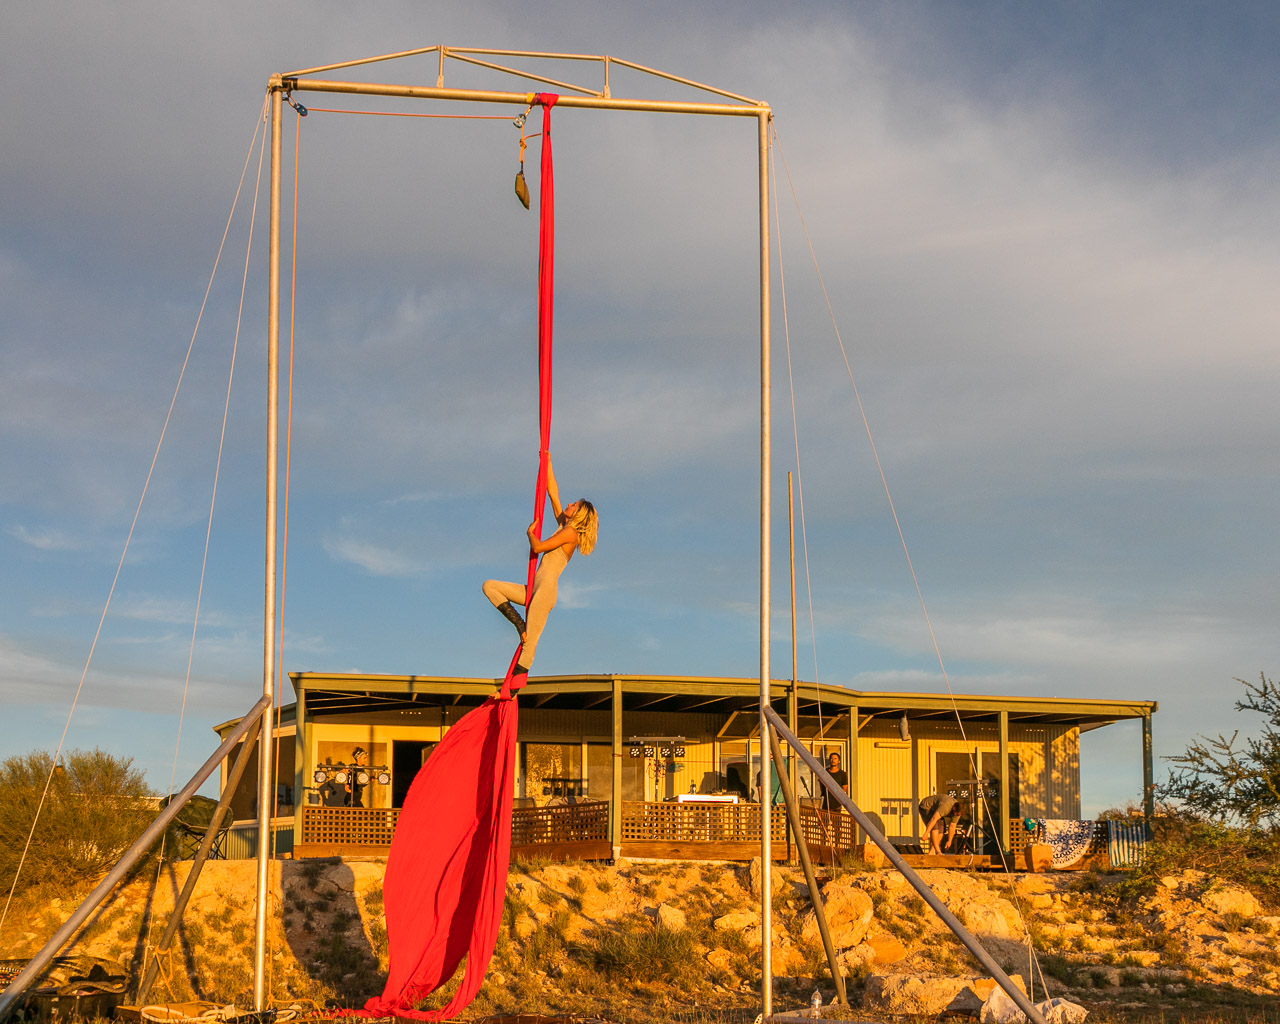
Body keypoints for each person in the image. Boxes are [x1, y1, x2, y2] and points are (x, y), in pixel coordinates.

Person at [482, 460, 598, 676]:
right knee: (490, 586)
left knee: (530, 644)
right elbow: (552, 492)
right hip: (533, 588)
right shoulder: (564, 526)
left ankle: (512, 690)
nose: (569, 504)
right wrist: (548, 459)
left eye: (574, 504)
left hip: (544, 591)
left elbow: (538, 546)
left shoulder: (570, 534)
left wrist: (530, 534)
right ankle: (519, 625)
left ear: (579, 513)